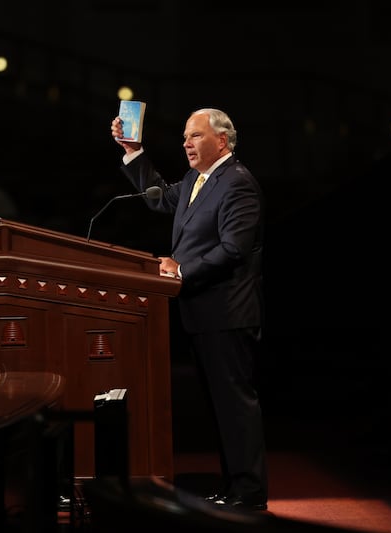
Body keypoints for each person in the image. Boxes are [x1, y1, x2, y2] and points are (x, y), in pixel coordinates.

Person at [109, 107, 268, 511]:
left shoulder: (238, 184)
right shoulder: (199, 180)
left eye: (195, 136)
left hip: (228, 314)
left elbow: (234, 248)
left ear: (222, 141)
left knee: (235, 405)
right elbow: (159, 197)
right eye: (185, 136)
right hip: (203, 313)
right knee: (219, 408)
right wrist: (134, 151)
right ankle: (234, 487)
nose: (186, 143)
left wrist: (181, 269)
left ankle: (249, 493)